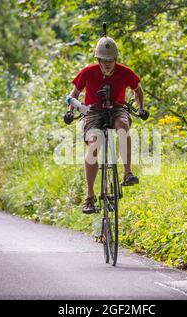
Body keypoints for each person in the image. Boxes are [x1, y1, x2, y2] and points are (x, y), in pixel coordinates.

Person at [66, 34, 145, 214]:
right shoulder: (88, 72)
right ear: (98, 60)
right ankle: (90, 196)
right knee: (94, 143)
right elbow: (74, 94)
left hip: (117, 108)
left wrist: (141, 108)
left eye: (111, 60)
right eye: (104, 60)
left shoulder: (125, 72)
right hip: (93, 111)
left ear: (116, 59)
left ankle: (127, 173)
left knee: (123, 127)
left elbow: (137, 90)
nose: (108, 64)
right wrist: (70, 111)